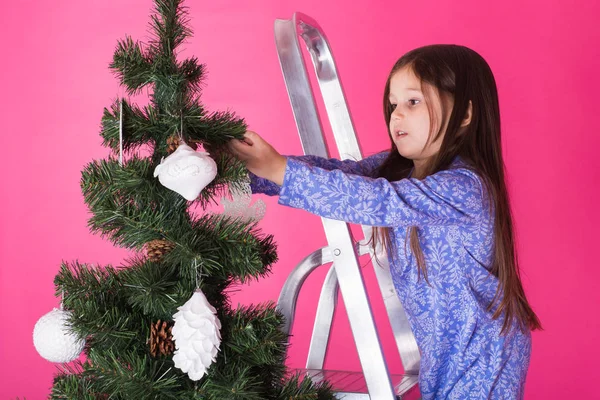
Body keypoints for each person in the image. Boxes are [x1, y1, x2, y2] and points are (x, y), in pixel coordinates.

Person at [228, 44, 541, 399]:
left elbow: (374, 201)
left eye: (413, 102)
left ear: (465, 115)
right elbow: (339, 174)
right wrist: (247, 172)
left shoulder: (465, 188)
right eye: (393, 104)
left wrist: (278, 170)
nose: (396, 116)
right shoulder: (399, 169)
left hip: (484, 356)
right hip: (444, 351)